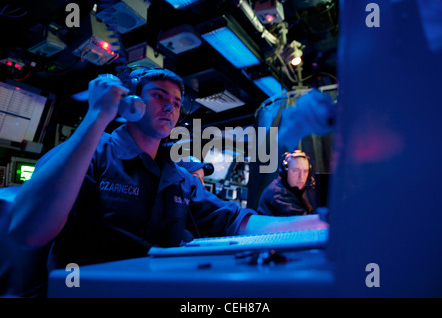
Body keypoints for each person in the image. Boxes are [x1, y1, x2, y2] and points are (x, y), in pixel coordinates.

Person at [8, 67, 328, 273]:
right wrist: (97, 116)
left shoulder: (178, 178)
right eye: (159, 96)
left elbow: (234, 220)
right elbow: (28, 231)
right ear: (131, 103)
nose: (170, 108)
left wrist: (319, 224)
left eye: (176, 103)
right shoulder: (91, 151)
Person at [257, 150, 315, 216]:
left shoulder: (295, 190)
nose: (301, 177)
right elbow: (304, 222)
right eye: (296, 170)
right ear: (285, 171)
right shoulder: (278, 195)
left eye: (305, 171)